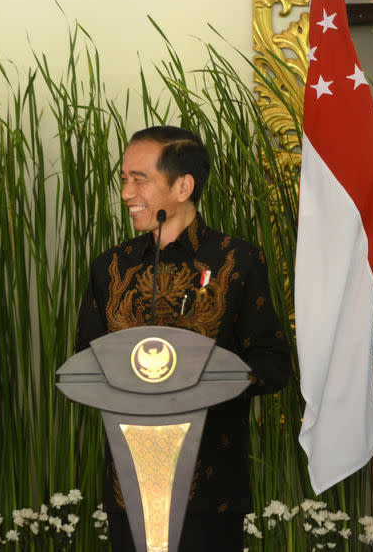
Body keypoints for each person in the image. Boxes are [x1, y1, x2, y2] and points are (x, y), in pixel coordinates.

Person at [74, 126, 291, 551]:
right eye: (123, 179)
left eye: (140, 179)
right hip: (128, 488)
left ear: (183, 186)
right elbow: (85, 362)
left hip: (211, 492)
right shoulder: (110, 268)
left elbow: (273, 364)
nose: (126, 193)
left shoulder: (238, 261)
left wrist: (211, 377)